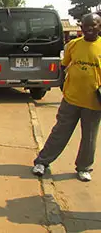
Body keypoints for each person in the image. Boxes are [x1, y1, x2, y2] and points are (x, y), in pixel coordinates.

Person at [32, 13, 101, 182]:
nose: (90, 28)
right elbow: (63, 67)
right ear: (81, 27)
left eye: (94, 25)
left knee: (89, 137)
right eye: (86, 25)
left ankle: (84, 168)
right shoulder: (73, 45)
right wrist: (62, 85)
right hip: (71, 99)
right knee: (59, 132)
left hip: (93, 103)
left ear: (100, 26)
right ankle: (42, 162)